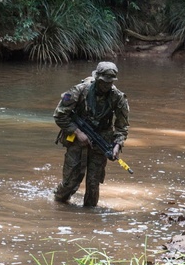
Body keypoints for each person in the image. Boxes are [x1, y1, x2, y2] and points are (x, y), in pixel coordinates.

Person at [53, 61, 129, 208]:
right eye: (103, 82)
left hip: (101, 142)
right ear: (97, 78)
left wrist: (117, 145)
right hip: (77, 139)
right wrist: (77, 132)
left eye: (110, 82)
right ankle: (57, 205)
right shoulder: (79, 90)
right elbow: (59, 115)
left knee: (93, 184)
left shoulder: (118, 97)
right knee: (70, 182)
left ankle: (90, 217)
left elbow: (122, 126)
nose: (106, 86)